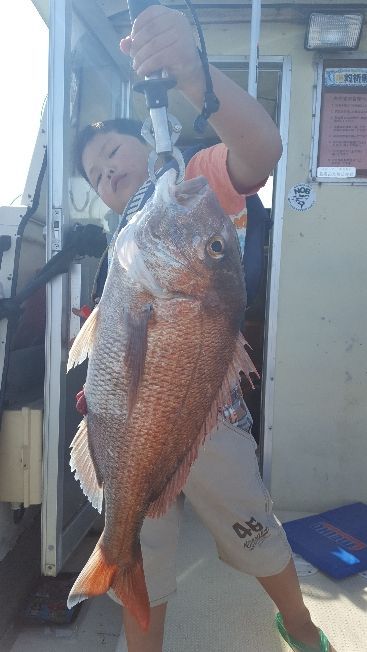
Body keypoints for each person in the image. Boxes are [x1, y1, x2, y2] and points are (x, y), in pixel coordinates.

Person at [74, 6, 336, 652]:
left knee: (253, 527)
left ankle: (299, 627)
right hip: (134, 426)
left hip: (211, 423)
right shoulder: (134, 232)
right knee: (141, 545)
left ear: (144, 141)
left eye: (111, 151)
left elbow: (260, 151)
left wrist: (192, 74)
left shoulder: (191, 187)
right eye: (94, 175)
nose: (107, 173)